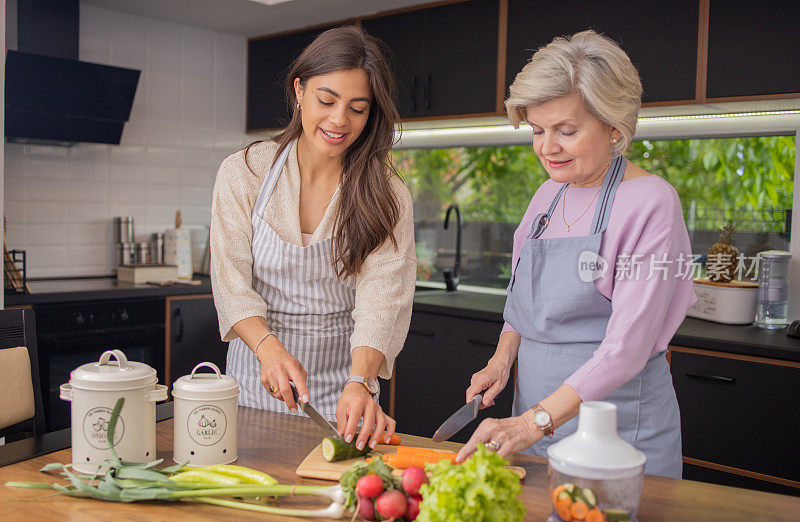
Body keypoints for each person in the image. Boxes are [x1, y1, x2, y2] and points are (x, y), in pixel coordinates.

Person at [455, 30, 696, 478]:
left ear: (615, 125)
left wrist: (535, 421)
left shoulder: (652, 203)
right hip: (531, 424)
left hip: (617, 436)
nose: (547, 147)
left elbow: (627, 349)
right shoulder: (546, 196)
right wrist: (501, 361)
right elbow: (523, 307)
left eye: (567, 131)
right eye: (538, 130)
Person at [210, 25, 416, 452]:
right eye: (327, 100)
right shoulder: (245, 172)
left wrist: (361, 381)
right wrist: (268, 348)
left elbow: (383, 299)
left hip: (346, 389)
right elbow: (230, 282)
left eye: (358, 108)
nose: (340, 120)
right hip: (255, 377)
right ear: (299, 90)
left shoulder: (386, 193)